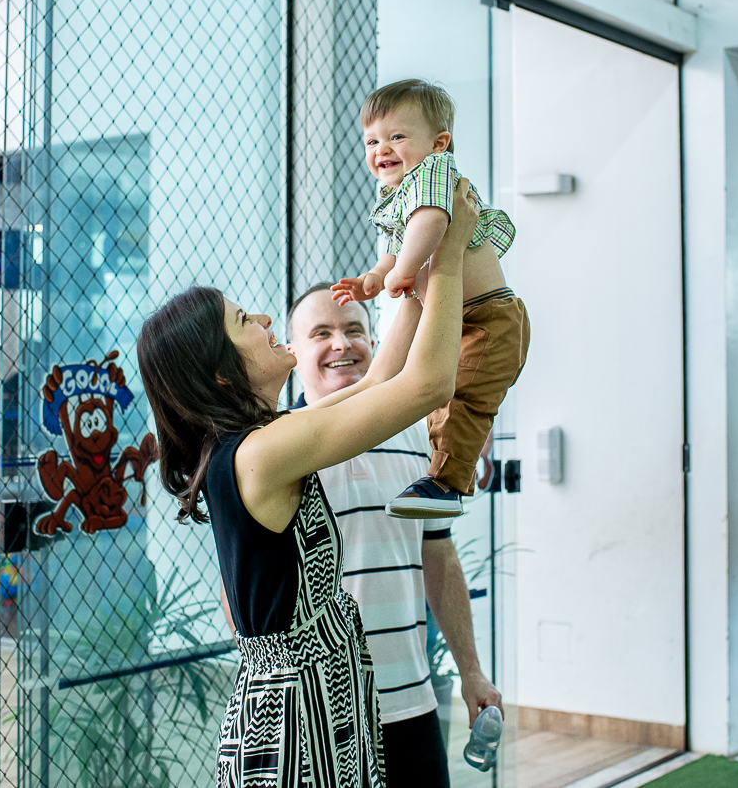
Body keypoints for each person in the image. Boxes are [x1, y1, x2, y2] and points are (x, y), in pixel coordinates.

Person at [137, 180, 479, 787]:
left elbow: (376, 385)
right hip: (298, 723)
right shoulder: (263, 452)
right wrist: (448, 254)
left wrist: (413, 271)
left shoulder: (258, 442)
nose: (265, 319)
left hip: (322, 705)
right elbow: (426, 387)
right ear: (220, 371)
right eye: (245, 320)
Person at [284, 283, 501, 787]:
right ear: (293, 355)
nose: (342, 344)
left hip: (413, 703)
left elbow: (439, 556)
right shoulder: (277, 447)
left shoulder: (416, 436)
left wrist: (471, 671)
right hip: (321, 718)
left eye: (354, 330)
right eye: (322, 333)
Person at [334, 78, 531, 520]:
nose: (381, 149)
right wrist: (375, 277)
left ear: (438, 143)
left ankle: (446, 485)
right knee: (443, 403)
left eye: (396, 137)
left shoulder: (435, 176)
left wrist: (403, 271)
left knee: (460, 401)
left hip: (490, 320)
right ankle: (443, 479)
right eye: (372, 140)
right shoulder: (398, 192)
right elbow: (395, 244)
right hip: (459, 319)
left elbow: (430, 226)